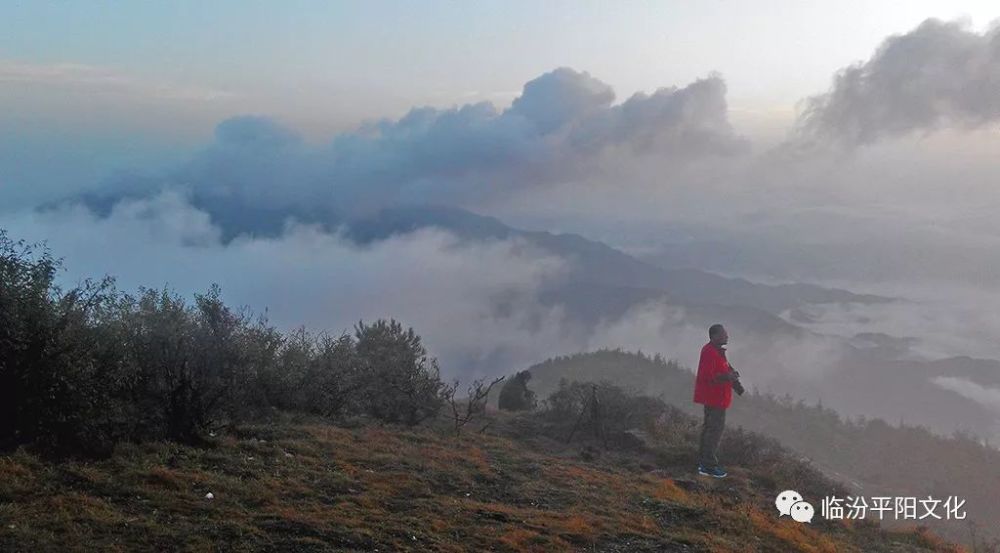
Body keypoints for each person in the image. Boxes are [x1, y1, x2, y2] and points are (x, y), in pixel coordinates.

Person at [693, 323, 743, 478]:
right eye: (724, 334)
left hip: (717, 398)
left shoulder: (717, 351)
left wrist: (735, 383)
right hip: (714, 399)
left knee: (710, 430)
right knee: (713, 431)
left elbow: (725, 368)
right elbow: (708, 376)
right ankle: (708, 466)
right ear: (714, 336)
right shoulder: (709, 352)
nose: (727, 336)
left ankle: (703, 462)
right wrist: (728, 377)